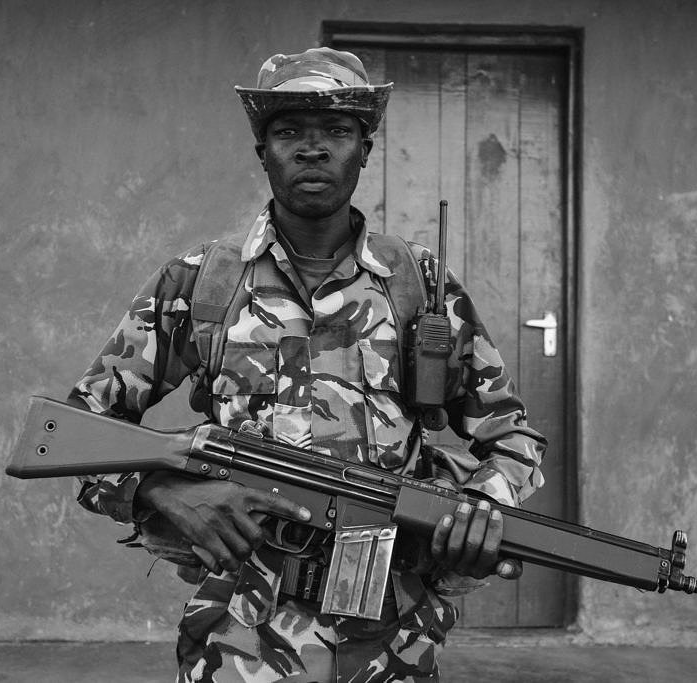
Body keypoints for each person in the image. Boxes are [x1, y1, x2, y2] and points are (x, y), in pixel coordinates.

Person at [69, 47, 546, 683]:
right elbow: (77, 430)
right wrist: (161, 491)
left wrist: (478, 510)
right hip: (238, 641)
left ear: (365, 151)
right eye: (289, 131)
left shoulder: (420, 284)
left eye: (338, 131)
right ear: (261, 151)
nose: (313, 148)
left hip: (390, 642)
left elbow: (511, 437)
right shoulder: (202, 284)